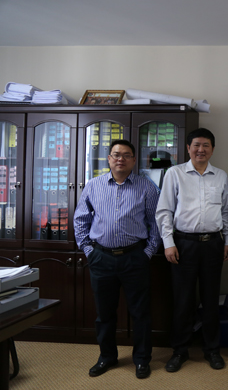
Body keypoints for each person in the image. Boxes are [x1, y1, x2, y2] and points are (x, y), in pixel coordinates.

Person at [74, 139, 160, 380]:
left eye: (126, 155)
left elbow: (156, 223)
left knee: (140, 313)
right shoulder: (94, 185)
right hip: (101, 258)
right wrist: (89, 250)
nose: (121, 159)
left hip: (135, 258)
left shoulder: (146, 187)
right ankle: (107, 356)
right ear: (109, 159)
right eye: (116, 154)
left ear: (134, 160)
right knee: (104, 313)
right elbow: (80, 219)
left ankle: (142, 359)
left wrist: (148, 252)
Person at [155, 128, 228, 373]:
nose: (201, 150)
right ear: (188, 148)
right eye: (196, 145)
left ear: (212, 149)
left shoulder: (220, 175)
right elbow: (164, 211)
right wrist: (168, 243)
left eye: (206, 145)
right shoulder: (175, 173)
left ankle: (212, 350)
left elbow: (226, 211)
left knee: (210, 300)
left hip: (213, 244)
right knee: (183, 300)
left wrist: (227, 241)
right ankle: (180, 350)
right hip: (183, 244)